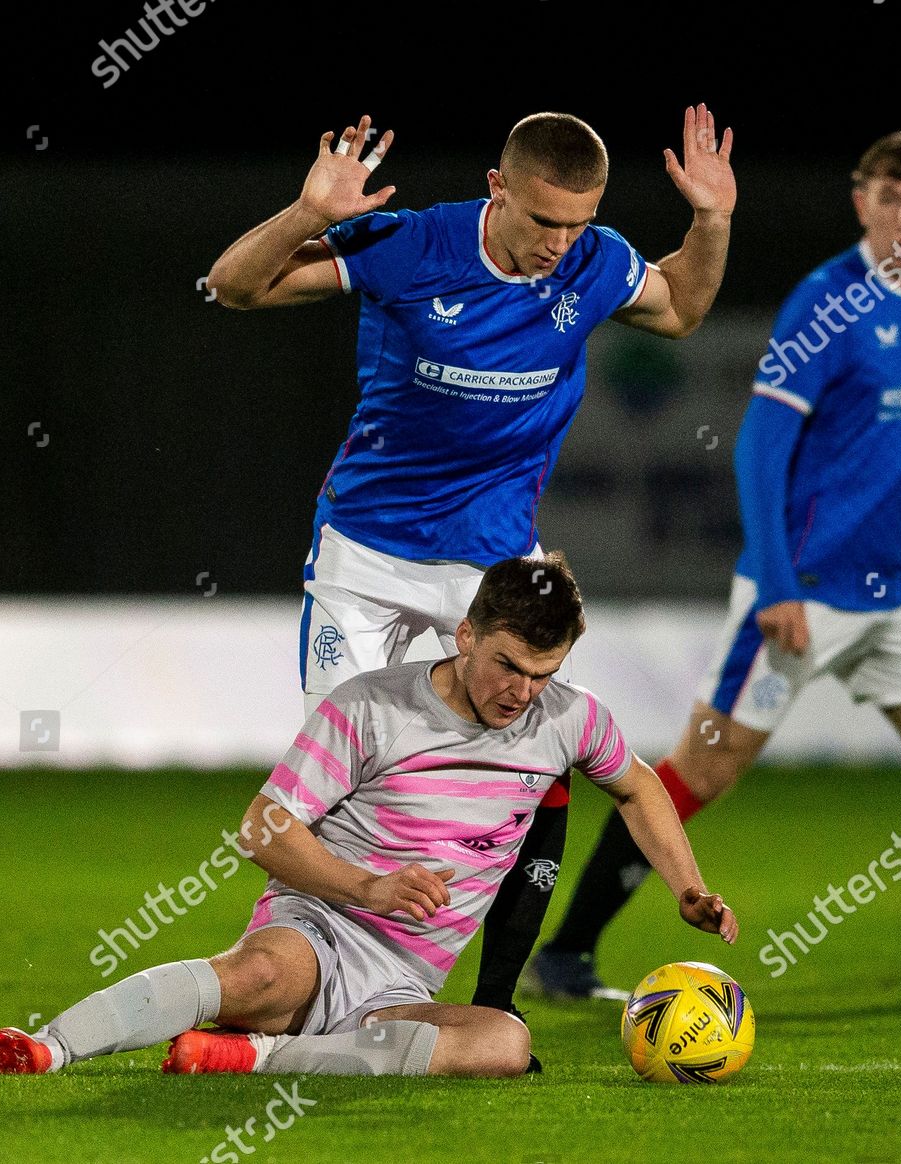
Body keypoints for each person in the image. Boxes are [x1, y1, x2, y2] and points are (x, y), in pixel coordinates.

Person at [200, 107, 736, 1028]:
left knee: (547, 761)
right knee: (359, 778)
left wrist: (711, 223)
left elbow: (683, 308)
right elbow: (233, 288)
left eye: (576, 223)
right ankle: (292, 982)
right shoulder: (414, 247)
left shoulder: (596, 262)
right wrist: (302, 213)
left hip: (494, 565)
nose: (558, 245)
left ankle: (495, 1008)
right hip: (369, 558)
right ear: (498, 188)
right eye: (542, 222)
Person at [531, 127, 901, 1004]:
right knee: (699, 771)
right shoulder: (830, 302)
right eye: (888, 198)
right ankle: (566, 952)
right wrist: (776, 583)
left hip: (898, 594)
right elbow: (760, 445)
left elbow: (884, 463)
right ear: (862, 203)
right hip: (802, 592)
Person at [0, 554, 737, 1078]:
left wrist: (687, 887)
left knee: (504, 1043)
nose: (522, 692)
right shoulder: (371, 707)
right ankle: (47, 1046)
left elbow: (639, 787)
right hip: (323, 927)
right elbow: (262, 827)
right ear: (466, 635)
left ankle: (256, 1059)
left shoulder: (569, 719)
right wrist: (366, 888)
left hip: (403, 981)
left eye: (544, 674)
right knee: (259, 973)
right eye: (507, 664)